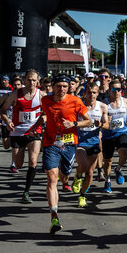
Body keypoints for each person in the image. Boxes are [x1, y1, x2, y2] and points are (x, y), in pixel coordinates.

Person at [39, 76, 93, 234]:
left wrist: (74, 124)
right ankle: (54, 216)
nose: (61, 89)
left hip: (69, 144)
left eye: (64, 86)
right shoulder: (46, 100)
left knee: (64, 176)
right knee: (51, 178)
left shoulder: (75, 101)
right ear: (53, 87)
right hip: (50, 144)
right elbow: (45, 114)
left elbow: (88, 121)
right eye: (58, 86)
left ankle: (70, 177)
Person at [0, 70, 44, 204]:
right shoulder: (15, 94)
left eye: (34, 80)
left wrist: (39, 125)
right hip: (17, 132)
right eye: (29, 80)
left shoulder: (41, 95)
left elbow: (46, 113)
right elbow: (3, 110)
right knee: (18, 164)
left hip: (34, 132)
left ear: (38, 81)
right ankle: (25, 189)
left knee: (33, 161)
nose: (32, 83)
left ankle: (26, 191)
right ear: (24, 80)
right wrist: (7, 121)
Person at [73, 83, 109, 208]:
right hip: (80, 141)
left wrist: (100, 125)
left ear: (98, 93)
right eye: (89, 92)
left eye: (94, 92)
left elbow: (107, 125)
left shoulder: (102, 107)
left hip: (93, 142)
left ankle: (82, 195)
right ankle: (78, 176)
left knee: (89, 172)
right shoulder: (79, 105)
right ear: (84, 93)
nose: (92, 95)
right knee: (82, 165)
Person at [101, 78, 127, 192]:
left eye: (119, 89)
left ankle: (118, 169)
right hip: (108, 135)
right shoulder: (104, 103)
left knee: (124, 153)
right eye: (114, 89)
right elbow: (99, 119)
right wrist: (105, 120)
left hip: (121, 132)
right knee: (108, 161)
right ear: (109, 90)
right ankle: (107, 181)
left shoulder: (126, 102)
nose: (116, 92)